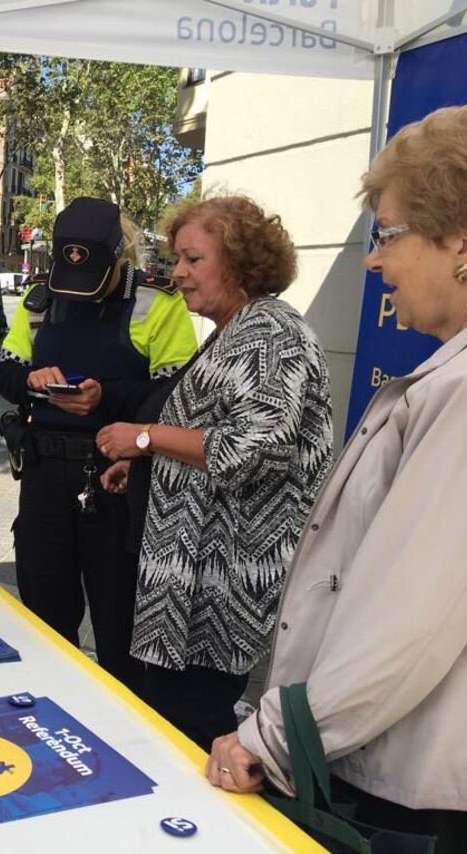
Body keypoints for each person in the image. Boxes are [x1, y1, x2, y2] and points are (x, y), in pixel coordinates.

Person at [206, 105, 467, 851]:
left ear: (459, 240)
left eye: (385, 235)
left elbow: (407, 622)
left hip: (406, 792)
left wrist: (276, 739)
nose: (372, 260)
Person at [96, 194, 333, 750]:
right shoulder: (235, 331)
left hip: (220, 588)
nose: (177, 273)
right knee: (173, 716)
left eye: (193, 259)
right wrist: (149, 467)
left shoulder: (271, 334)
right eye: (177, 259)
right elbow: (213, 436)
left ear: (241, 263)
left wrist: (145, 436)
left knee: (196, 724)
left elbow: (246, 449)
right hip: (189, 587)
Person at [0, 197, 197, 691]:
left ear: (119, 256)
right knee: (43, 614)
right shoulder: (41, 298)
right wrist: (32, 381)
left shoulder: (157, 301)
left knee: (118, 623)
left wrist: (106, 397)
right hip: (43, 478)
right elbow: (4, 368)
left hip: (115, 481)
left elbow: (178, 393)